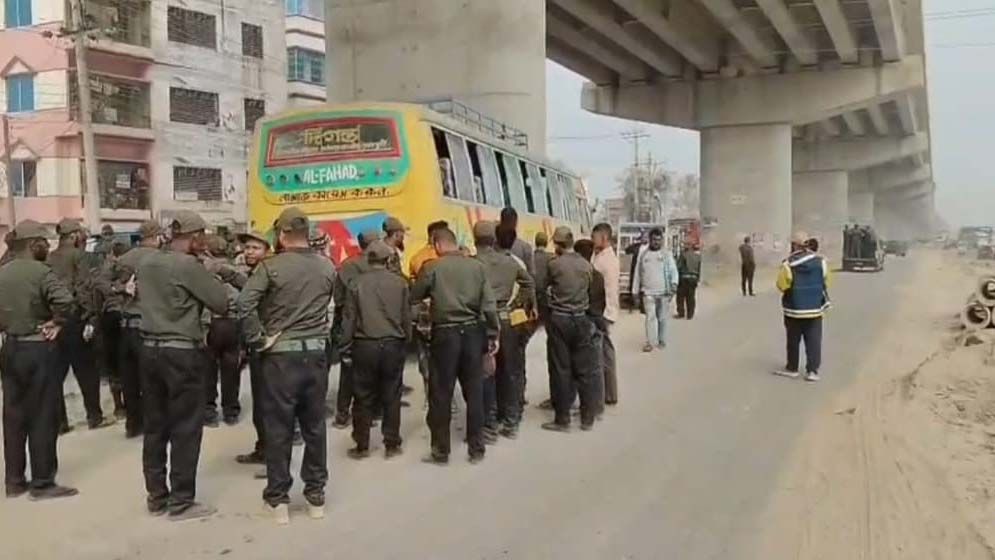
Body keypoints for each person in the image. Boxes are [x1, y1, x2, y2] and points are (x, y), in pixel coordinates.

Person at [238, 207, 336, 525]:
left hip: (280, 357)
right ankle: (316, 496)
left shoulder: (270, 268)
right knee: (314, 426)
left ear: (281, 235)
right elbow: (338, 308)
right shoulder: (327, 267)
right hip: (316, 355)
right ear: (306, 234)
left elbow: (244, 305)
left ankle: (278, 500)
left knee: (279, 428)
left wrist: (257, 338)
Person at [135, 210, 231, 520]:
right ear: (196, 237)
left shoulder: (146, 262)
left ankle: (156, 496)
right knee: (186, 426)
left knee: (155, 425)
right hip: (181, 352)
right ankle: (181, 501)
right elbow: (221, 302)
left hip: (149, 349)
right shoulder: (188, 265)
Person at [0, 220, 78, 500]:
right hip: (38, 348)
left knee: (13, 416)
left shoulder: (3, 272)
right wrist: (56, 322)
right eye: (44, 242)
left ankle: (14, 481)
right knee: (43, 415)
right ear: (34, 245)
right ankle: (43, 482)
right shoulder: (41, 272)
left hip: (10, 348)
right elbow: (65, 301)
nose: (48, 246)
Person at [410, 227, 498, 465]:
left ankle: (441, 450)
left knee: (441, 393)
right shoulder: (477, 267)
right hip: (473, 333)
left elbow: (415, 296)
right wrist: (492, 335)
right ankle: (476, 448)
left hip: (445, 335)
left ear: (437, 245)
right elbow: (489, 305)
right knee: (474, 391)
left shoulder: (432, 268)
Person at [339, 240, 411, 460]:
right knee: (392, 393)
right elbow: (406, 317)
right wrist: (405, 341)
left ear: (368, 259)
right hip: (392, 343)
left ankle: (362, 444)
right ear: (388, 260)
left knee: (363, 396)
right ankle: (392, 443)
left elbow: (349, 318)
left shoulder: (356, 284)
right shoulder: (400, 284)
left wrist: (344, 345)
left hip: (365, 345)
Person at [48, 218, 112, 431]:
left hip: (55, 321)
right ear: (74, 236)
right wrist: (91, 319)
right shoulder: (79, 256)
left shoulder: (49, 258)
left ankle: (60, 422)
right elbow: (84, 288)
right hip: (75, 320)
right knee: (86, 371)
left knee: (56, 375)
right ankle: (94, 416)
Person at [474, 221, 534, 440]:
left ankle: (489, 420)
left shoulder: (472, 263)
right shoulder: (508, 263)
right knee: (510, 370)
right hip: (505, 319)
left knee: (485, 373)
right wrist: (516, 303)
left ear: (474, 239)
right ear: (494, 240)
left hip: (480, 321)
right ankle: (511, 421)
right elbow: (529, 284)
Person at [541, 226, 598, 432]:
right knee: (584, 370)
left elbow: (546, 287)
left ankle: (562, 419)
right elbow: (590, 290)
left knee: (561, 370)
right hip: (581, 319)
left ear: (557, 244)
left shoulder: (554, 265)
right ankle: (587, 417)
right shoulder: (586, 265)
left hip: (560, 319)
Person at [111, 220, 162, 439]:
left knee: (129, 378)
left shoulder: (123, 259)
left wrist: (122, 288)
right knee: (151, 379)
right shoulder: (161, 259)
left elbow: (104, 284)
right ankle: (154, 424)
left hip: (126, 326)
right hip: (149, 326)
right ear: (156, 237)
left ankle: (133, 424)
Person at [330, 229, 380, 430]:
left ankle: (342, 414)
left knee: (348, 372)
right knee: (372, 372)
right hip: (374, 325)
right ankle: (372, 413)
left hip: (350, 324)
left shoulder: (347, 266)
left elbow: (339, 298)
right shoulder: (380, 266)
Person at [233, 230, 272, 465]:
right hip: (257, 345)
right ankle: (264, 448)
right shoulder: (254, 273)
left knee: (268, 404)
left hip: (267, 345)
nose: (249, 252)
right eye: (247, 248)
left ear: (267, 251)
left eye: (255, 248)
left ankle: (272, 455)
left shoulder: (268, 274)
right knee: (261, 404)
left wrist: (257, 339)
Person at [202, 235, 246, 427]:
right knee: (231, 370)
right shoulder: (236, 271)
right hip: (233, 324)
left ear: (208, 251)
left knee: (208, 370)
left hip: (212, 323)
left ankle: (209, 412)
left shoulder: (203, 271)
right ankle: (231, 412)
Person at [775, 232, 830, 382]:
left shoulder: (788, 264)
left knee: (793, 340)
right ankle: (812, 371)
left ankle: (792, 368)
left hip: (793, 310)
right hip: (814, 310)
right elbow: (826, 281)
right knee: (813, 340)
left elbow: (782, 285)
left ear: (794, 246)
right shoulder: (821, 261)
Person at [93, 241, 130, 419]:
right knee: (125, 363)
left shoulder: (102, 272)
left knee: (114, 365)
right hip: (123, 318)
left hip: (110, 318)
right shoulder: (130, 267)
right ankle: (126, 405)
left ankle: (119, 406)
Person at [574, 238, 607, 417]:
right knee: (595, 368)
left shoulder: (581, 277)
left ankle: (586, 409)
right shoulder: (598, 276)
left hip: (585, 322)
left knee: (582, 368)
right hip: (598, 321)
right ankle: (598, 407)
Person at [632, 228, 678, 352]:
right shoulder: (643, 254)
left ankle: (662, 341)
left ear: (662, 240)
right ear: (650, 240)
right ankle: (650, 343)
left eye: (659, 240)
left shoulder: (666, 254)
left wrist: (674, 284)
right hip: (648, 293)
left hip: (664, 292)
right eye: (654, 240)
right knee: (650, 318)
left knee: (662, 318)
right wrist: (635, 291)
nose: (656, 242)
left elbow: (674, 270)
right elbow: (637, 273)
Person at [590, 223, 619, 406]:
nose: (593, 240)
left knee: (602, 356)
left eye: (595, 237)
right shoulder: (599, 255)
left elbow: (610, 290)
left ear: (605, 238)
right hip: (600, 311)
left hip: (602, 312)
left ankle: (604, 395)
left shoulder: (608, 261)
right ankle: (609, 394)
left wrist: (607, 316)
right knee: (604, 354)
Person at [498, 207, 535, 278]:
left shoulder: (492, 245)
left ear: (501, 221)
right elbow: (531, 275)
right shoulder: (525, 247)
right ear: (516, 223)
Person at [676, 241, 702, 320]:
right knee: (691, 297)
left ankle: (681, 313)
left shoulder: (683, 255)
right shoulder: (697, 256)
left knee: (680, 297)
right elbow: (699, 269)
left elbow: (678, 267)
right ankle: (690, 314)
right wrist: (697, 279)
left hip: (684, 278)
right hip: (693, 278)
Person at [533, 232, 552, 324]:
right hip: (546, 296)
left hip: (532, 295)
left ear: (535, 242)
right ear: (546, 243)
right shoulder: (551, 258)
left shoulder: (530, 256)